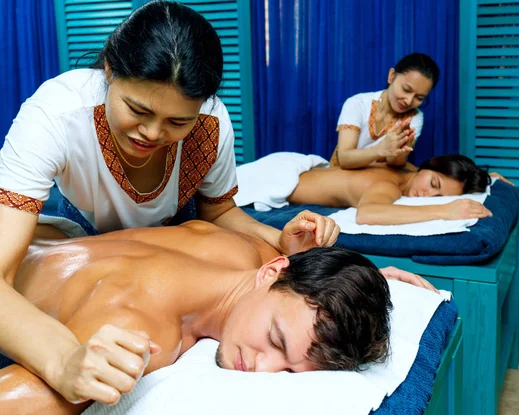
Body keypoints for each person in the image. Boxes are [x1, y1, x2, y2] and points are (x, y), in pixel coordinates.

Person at [0, 1, 338, 407]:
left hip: (170, 227)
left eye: (178, 122)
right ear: (109, 70)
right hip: (80, 222)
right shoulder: (55, 115)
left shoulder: (211, 124)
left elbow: (219, 213)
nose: (153, 133)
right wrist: (63, 361)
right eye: (138, 110)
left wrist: (282, 239)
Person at [0, 216, 436, 415]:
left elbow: (297, 271)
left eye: (289, 371)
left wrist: (370, 277)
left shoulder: (250, 253)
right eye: (276, 341)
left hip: (48, 239)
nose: (263, 370)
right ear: (271, 274)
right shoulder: (142, 331)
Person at [289, 154, 505, 225]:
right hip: (286, 179)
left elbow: (450, 177)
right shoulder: (389, 186)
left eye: (438, 197)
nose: (427, 195)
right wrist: (444, 210)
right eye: (433, 184)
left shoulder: (407, 170)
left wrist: (489, 179)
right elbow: (366, 213)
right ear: (427, 166)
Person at [330, 53, 440, 170]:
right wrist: (381, 149)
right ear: (391, 76)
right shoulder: (358, 103)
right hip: (339, 178)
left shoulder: (415, 116)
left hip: (377, 180)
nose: (408, 101)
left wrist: (401, 148)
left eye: (419, 98)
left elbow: (395, 163)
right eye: (406, 89)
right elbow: (344, 159)